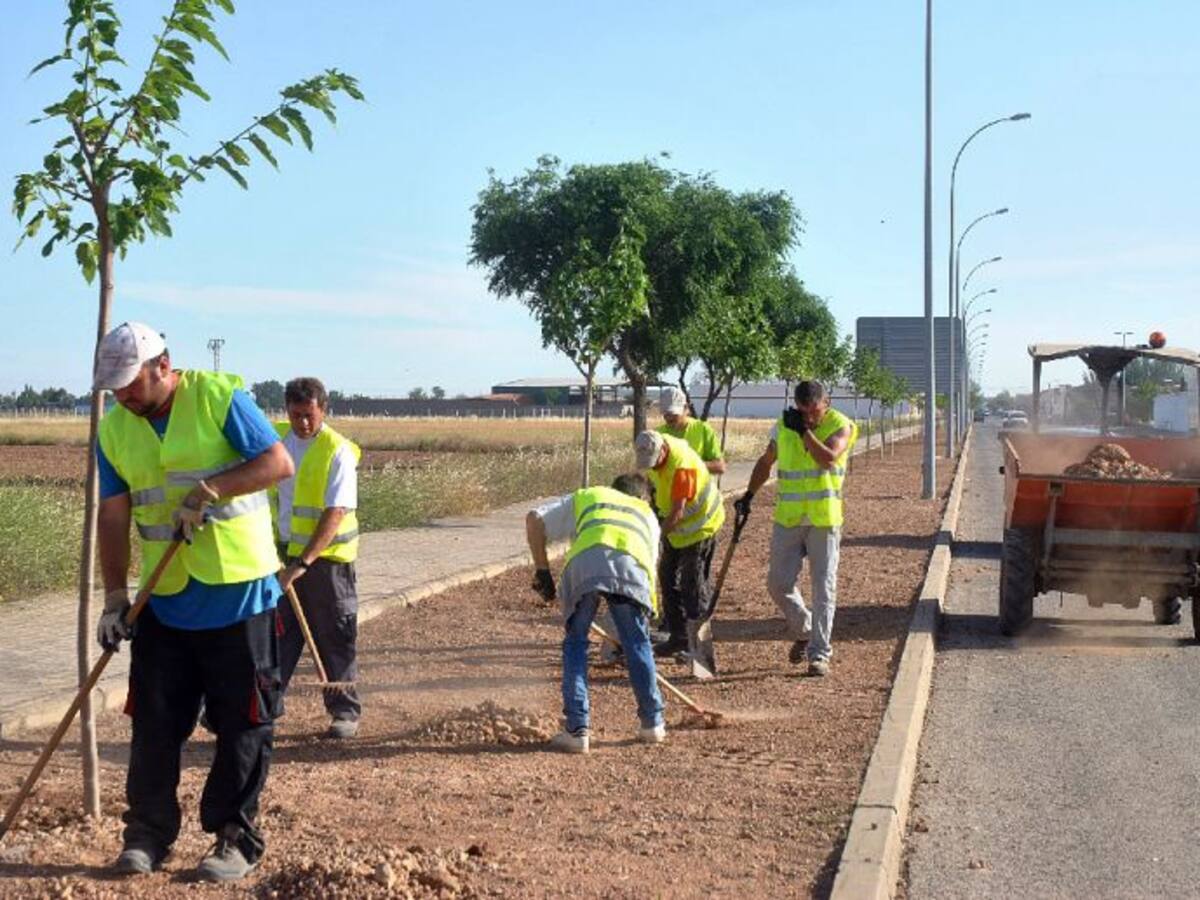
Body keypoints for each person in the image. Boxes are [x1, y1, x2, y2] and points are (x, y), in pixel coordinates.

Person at [93, 322, 294, 882]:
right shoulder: (115, 429)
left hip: (239, 592)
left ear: (163, 365)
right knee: (153, 723)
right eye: (114, 389)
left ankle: (235, 838)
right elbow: (114, 513)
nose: (124, 397)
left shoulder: (217, 397)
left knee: (243, 722)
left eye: (131, 384)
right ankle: (147, 835)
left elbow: (279, 463)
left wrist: (210, 490)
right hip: (164, 598)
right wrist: (114, 597)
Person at [527, 474, 666, 754]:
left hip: (585, 564)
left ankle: (577, 730)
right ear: (643, 497)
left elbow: (534, 519)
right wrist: (630, 630)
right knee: (638, 643)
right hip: (631, 567)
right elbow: (649, 573)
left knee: (576, 644)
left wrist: (543, 572)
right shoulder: (648, 515)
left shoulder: (590, 496)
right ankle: (652, 724)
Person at [735, 380, 857, 676]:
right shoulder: (783, 427)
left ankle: (819, 654)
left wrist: (804, 432)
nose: (809, 418)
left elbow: (827, 459)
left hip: (822, 520)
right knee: (777, 584)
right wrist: (748, 495)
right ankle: (804, 628)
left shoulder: (843, 425)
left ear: (825, 403)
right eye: (804, 412)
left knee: (823, 588)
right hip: (788, 518)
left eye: (814, 412)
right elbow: (766, 463)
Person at [275, 377, 363, 738]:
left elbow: (335, 512)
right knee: (275, 638)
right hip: (283, 558)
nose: (303, 423)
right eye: (296, 415)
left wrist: (303, 564)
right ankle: (262, 708)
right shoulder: (277, 444)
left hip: (327, 563)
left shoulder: (336, 450)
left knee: (334, 637)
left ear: (323, 410)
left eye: (309, 415)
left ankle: (344, 711)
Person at [634, 430, 726, 661]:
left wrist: (653, 538)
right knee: (666, 577)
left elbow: (677, 513)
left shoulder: (682, 467)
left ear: (662, 450)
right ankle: (678, 638)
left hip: (701, 526)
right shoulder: (656, 453)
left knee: (691, 585)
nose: (651, 467)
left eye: (654, 462)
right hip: (678, 531)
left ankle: (700, 650)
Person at [656, 387, 726, 475]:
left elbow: (720, 467)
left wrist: (689, 465)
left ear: (685, 408)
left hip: (699, 487)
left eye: (673, 414)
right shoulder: (658, 435)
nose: (669, 418)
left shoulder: (702, 429)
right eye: (665, 414)